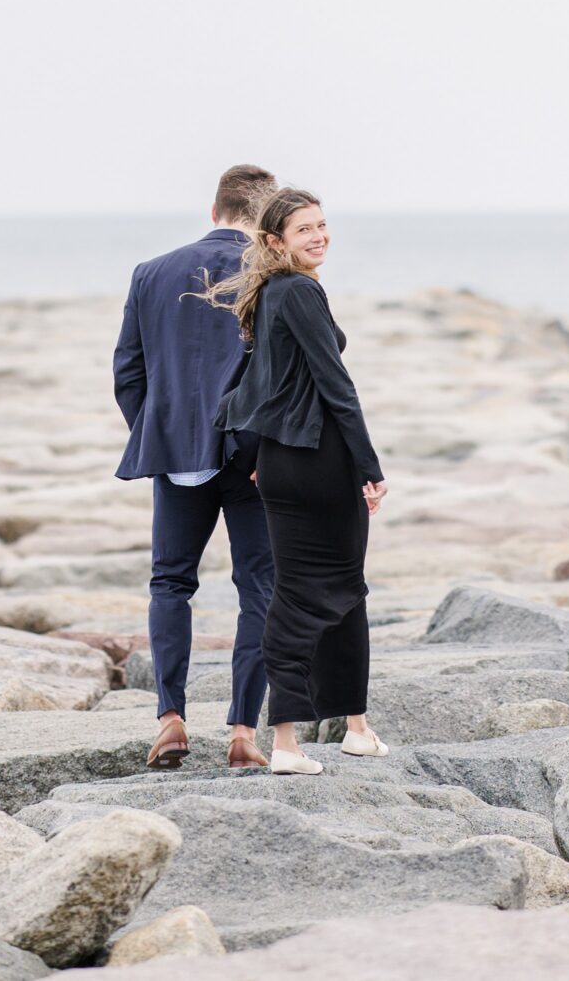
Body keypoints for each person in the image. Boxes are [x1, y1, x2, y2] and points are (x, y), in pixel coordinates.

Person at [209, 186, 388, 774]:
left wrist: (261, 453)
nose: (319, 236)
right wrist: (369, 467)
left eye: (322, 225)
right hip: (320, 463)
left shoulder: (269, 294)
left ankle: (354, 727)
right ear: (273, 242)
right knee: (317, 594)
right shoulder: (301, 291)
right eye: (304, 229)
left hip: (283, 463)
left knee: (329, 591)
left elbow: (264, 386)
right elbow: (337, 385)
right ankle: (285, 743)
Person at [113, 163, 282, 771]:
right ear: (267, 219)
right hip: (253, 459)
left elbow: (128, 374)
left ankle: (171, 718)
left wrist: (158, 433)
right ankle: (242, 730)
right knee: (259, 589)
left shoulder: (151, 273)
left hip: (176, 453)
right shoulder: (274, 271)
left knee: (170, 583)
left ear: (214, 211)